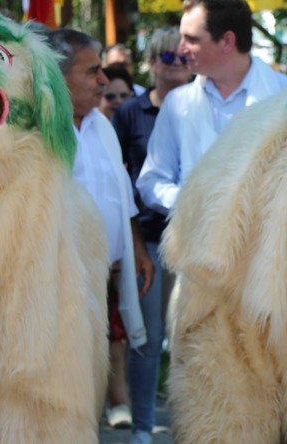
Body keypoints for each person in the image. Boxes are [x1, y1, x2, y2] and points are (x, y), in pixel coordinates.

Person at [45, 28, 155, 432]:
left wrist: (137, 248)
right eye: (92, 71)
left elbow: (121, 197)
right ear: (58, 75)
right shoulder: (37, 130)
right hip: (53, 281)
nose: (104, 81)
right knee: (58, 382)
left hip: (101, 277)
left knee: (89, 378)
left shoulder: (102, 125)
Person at [136, 0, 287, 216]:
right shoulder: (177, 102)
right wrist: (192, 203)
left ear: (227, 41)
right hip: (195, 241)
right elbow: (152, 180)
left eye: (191, 39)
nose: (181, 50)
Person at [112, 26, 192, 444]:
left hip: (197, 236)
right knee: (148, 337)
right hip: (149, 238)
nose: (176, 65)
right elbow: (121, 176)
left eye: (181, 57)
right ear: (151, 63)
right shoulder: (131, 112)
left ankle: (188, 423)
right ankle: (144, 426)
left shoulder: (200, 105)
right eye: (166, 58)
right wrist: (134, 244)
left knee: (190, 335)